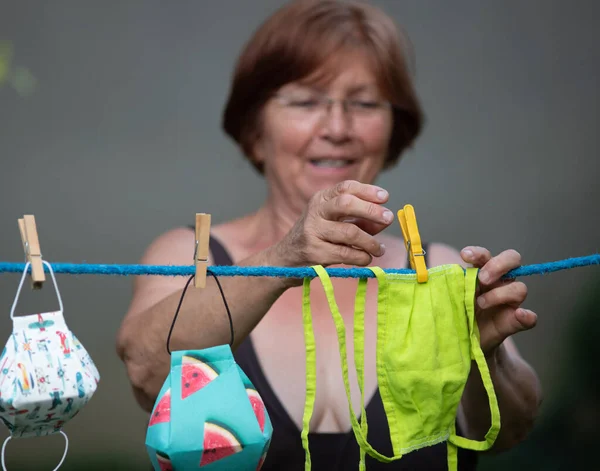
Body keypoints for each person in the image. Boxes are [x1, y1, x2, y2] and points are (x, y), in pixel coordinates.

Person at [116, 1, 542, 469]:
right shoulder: (191, 253)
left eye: (363, 103)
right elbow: (146, 370)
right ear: (255, 130)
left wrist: (485, 360)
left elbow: (509, 432)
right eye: (305, 102)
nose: (338, 128)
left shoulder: (442, 269)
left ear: (393, 129)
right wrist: (283, 259)